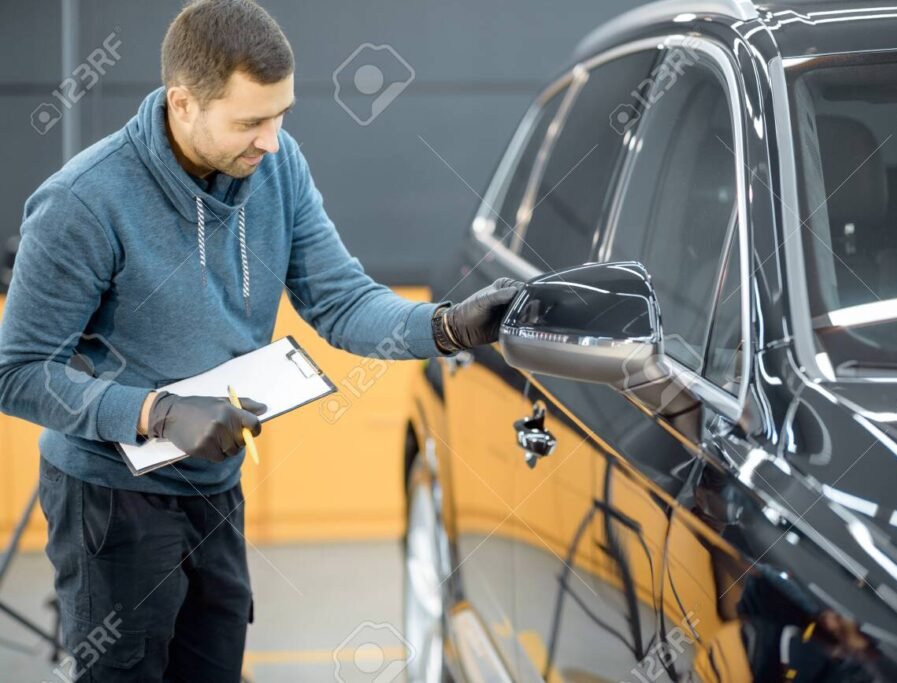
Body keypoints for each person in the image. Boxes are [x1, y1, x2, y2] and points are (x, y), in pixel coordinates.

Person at [0, 0, 521, 680]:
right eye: (250, 122)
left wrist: (446, 326)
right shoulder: (82, 202)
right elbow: (19, 372)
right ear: (183, 103)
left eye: (281, 116)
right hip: (111, 501)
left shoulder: (276, 166)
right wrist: (155, 412)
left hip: (216, 484)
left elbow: (340, 300)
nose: (271, 141)